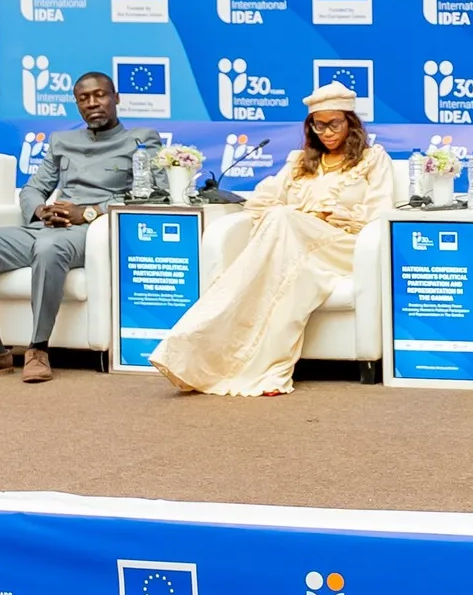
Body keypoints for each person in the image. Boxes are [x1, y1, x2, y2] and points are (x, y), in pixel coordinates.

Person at [150, 83, 393, 396]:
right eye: (319, 125)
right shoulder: (297, 163)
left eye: (334, 124)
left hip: (345, 246)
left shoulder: (373, 160)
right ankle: (265, 372)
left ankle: (191, 339)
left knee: (282, 222)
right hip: (296, 249)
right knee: (293, 273)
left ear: (351, 124)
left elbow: (379, 213)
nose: (327, 132)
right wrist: (301, 215)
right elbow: (261, 203)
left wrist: (325, 216)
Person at [0, 71, 152, 382]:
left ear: (116, 98)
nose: (92, 103)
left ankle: (38, 349)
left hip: (91, 232)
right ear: (77, 105)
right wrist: (40, 209)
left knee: (48, 248)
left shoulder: (140, 140)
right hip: (46, 227)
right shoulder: (63, 141)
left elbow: (151, 195)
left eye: (100, 95)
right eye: (83, 99)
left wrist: (87, 212)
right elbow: (32, 189)